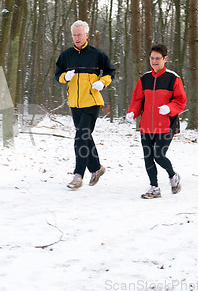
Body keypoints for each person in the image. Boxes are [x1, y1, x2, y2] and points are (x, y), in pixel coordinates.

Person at [55, 20, 116, 190]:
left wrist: (102, 83)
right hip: (75, 103)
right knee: (85, 137)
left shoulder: (97, 54)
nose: (76, 38)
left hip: (92, 102)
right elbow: (57, 74)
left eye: (79, 34)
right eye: (74, 35)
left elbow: (111, 71)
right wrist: (64, 77)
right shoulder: (66, 55)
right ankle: (96, 168)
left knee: (80, 136)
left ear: (86, 35)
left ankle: (78, 175)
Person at [126, 44, 187, 199]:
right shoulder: (144, 79)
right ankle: (154, 188)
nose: (154, 61)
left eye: (157, 58)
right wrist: (133, 112)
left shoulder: (173, 78)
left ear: (165, 59)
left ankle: (173, 176)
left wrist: (169, 108)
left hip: (166, 125)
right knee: (148, 157)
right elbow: (137, 100)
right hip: (146, 125)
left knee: (158, 155)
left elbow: (181, 101)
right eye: (152, 58)